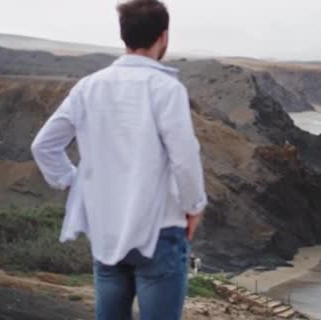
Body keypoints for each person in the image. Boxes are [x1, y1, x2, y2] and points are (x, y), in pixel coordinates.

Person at [30, 1, 207, 319]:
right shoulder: (166, 88)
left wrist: (73, 183)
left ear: (124, 36)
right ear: (163, 37)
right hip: (161, 230)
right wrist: (194, 207)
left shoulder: (88, 88)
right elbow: (185, 157)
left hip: (107, 229)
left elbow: (44, 146)